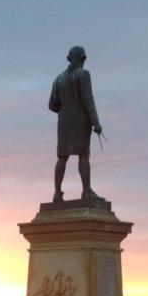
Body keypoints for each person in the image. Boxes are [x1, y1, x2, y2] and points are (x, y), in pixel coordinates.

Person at [49, 45, 103, 202]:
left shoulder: (58, 79)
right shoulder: (83, 74)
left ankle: (57, 193)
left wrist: (65, 110)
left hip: (64, 120)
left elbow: (52, 105)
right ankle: (86, 190)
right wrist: (96, 122)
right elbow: (88, 100)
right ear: (82, 58)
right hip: (80, 119)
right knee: (84, 155)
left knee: (62, 157)